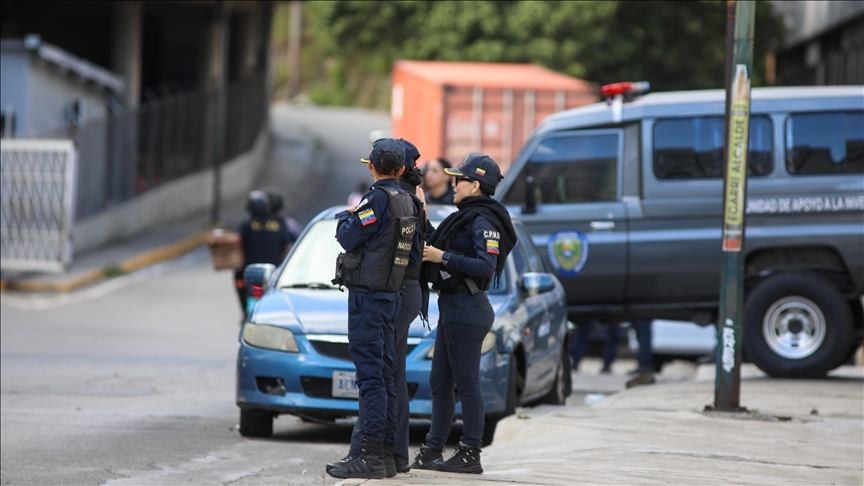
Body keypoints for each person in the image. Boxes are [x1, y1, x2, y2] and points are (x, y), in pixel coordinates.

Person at [412, 154, 518, 474]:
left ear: (474, 186)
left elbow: (485, 266)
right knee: (440, 382)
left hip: (468, 308)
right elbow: (436, 242)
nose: (453, 185)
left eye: (459, 180)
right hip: (454, 307)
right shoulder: (465, 216)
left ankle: (471, 452)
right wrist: (422, 213)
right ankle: (432, 450)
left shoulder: (483, 221)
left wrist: (443, 257)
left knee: (467, 384)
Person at [327, 139, 425, 476]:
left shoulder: (377, 199)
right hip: (391, 295)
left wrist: (345, 216)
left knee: (371, 379)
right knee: (384, 376)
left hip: (370, 297)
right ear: (400, 169)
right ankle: (384, 454)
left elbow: (349, 236)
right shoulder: (408, 201)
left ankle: (370, 456)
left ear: (371, 166)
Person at [234, 190, 295, 316]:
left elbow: (236, 241)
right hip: (273, 273)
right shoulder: (279, 224)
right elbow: (288, 246)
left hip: (251, 274)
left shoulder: (246, 225)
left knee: (238, 278)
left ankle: (244, 311)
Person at [626, 320, 656, 387]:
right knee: (640, 334)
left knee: (644, 334)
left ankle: (645, 366)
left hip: (645, 312)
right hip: (638, 312)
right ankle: (643, 366)